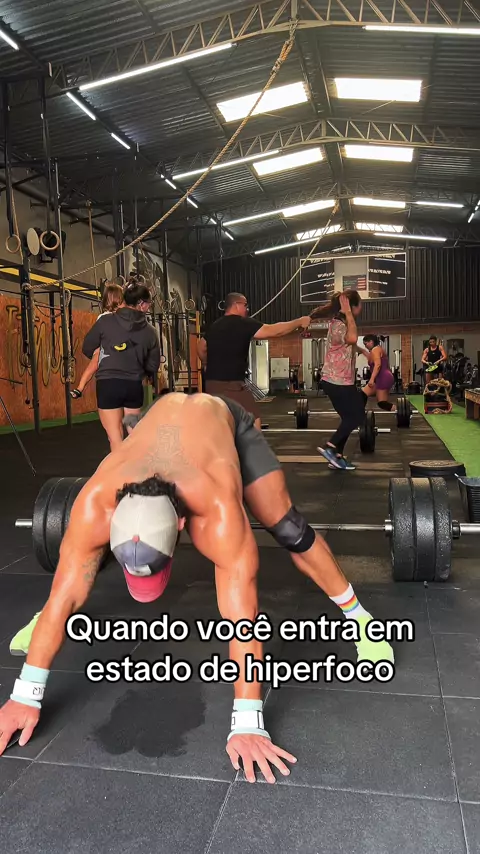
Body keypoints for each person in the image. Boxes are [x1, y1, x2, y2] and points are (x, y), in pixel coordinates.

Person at [0, 392, 394, 782]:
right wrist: (23, 695)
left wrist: (248, 722)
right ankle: (47, 619)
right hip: (160, 419)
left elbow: (243, 620)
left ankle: (360, 619)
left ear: (182, 525)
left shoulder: (218, 513)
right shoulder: (94, 504)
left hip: (225, 422)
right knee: (68, 583)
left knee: (289, 528)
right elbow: (67, 589)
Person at [198, 292, 311, 430]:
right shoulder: (242, 323)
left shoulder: (214, 325)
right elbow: (275, 331)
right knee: (253, 419)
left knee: (223, 420)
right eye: (245, 305)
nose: (247, 309)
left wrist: (206, 363)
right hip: (232, 384)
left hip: (211, 384)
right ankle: (254, 444)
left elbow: (201, 347)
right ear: (236, 305)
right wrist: (299, 321)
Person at [82, 281, 160, 452]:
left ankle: (120, 468)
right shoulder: (151, 331)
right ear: (141, 304)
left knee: (115, 437)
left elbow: (87, 347)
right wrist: (141, 371)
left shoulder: (105, 322)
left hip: (108, 384)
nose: (149, 307)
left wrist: (105, 356)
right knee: (134, 434)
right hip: (133, 385)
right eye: (148, 303)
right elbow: (153, 365)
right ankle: (136, 467)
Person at [311, 291, 367, 471]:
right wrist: (349, 313)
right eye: (360, 304)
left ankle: (337, 456)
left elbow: (348, 343)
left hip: (340, 380)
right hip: (337, 381)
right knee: (357, 416)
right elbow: (351, 338)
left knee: (349, 418)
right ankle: (331, 446)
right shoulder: (339, 324)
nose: (361, 308)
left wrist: (363, 351)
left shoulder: (341, 324)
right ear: (352, 306)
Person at [70, 283, 125, 401]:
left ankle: (80, 387)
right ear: (119, 300)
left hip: (113, 348)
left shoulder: (105, 316)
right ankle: (80, 387)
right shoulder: (106, 317)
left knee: (94, 362)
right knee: (95, 361)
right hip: (108, 348)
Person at [362, 335, 396, 411]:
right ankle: (359, 414)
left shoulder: (376, 349)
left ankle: (399, 410)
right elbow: (364, 352)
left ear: (371, 342)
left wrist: (371, 379)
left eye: (366, 344)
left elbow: (378, 365)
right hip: (383, 377)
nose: (365, 346)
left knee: (381, 403)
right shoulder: (377, 350)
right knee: (381, 403)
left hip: (382, 377)